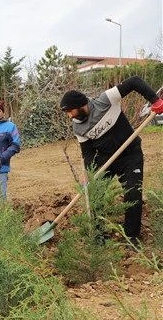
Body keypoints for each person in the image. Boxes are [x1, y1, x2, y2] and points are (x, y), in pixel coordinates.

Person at [60, 76, 163, 249]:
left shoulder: (106, 100)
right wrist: (89, 173)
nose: (69, 116)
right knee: (94, 194)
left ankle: (132, 237)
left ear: (81, 105)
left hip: (130, 155)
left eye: (71, 111)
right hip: (105, 160)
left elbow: (134, 82)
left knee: (132, 194)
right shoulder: (78, 127)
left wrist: (155, 100)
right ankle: (100, 236)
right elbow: (88, 152)